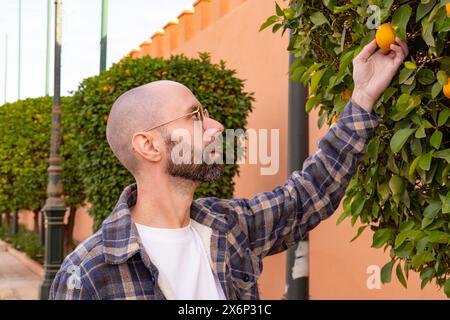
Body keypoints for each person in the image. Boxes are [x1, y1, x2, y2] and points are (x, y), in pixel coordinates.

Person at [50, 38, 408, 300]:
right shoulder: (89, 274)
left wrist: (362, 95)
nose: (217, 126)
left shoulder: (227, 226)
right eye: (195, 116)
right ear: (149, 146)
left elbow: (308, 194)